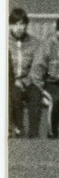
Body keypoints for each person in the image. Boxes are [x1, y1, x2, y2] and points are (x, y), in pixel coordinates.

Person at [8, 8, 39, 137]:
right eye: (15, 24)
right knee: (14, 96)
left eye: (22, 24)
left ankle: (34, 134)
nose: (19, 28)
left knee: (35, 96)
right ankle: (18, 130)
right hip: (10, 81)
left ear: (26, 25)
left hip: (29, 80)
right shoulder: (5, 41)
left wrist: (26, 80)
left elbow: (38, 65)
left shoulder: (35, 43)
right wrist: (14, 80)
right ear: (9, 25)